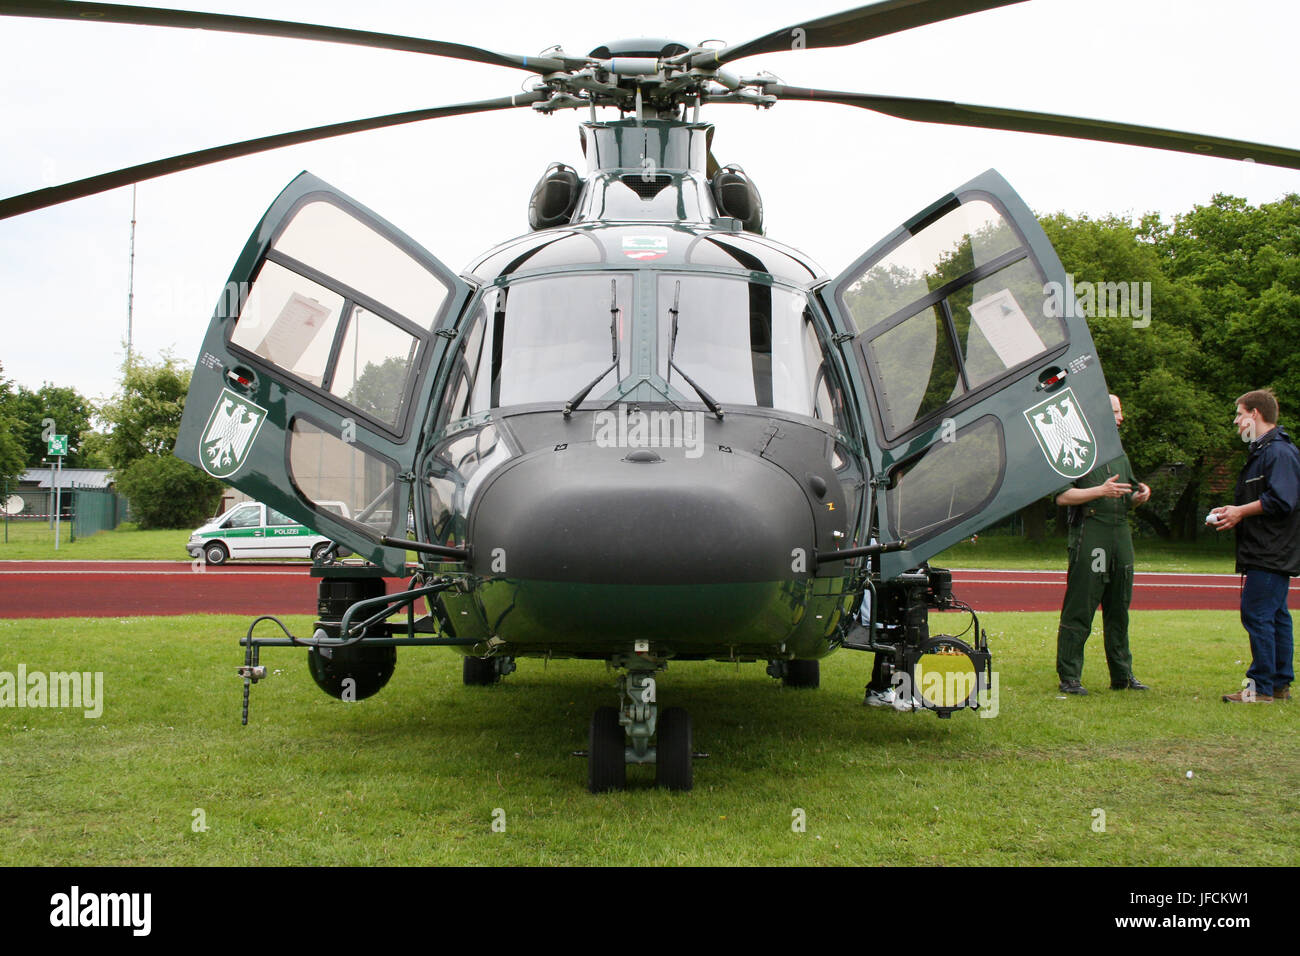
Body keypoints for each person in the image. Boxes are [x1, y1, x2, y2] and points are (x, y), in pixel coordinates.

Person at [1054, 394, 1151, 695]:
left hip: (1120, 532)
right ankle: (1070, 677)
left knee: (1119, 605)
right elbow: (1062, 496)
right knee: (1081, 604)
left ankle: (1122, 675)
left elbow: (1127, 494)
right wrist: (1099, 490)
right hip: (1091, 532)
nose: (1121, 418)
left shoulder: (1119, 452)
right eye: (1116, 412)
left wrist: (1140, 496)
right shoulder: (1074, 448)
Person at [1209, 389, 1300, 703]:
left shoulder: (1279, 452)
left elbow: (1282, 500)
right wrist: (1231, 509)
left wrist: (1240, 512)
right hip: (1265, 548)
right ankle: (1278, 685)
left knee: (1258, 613)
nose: (1236, 422)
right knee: (1275, 615)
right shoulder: (1264, 452)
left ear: (1256, 415)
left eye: (1239, 414)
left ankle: (1261, 687)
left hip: (1271, 551)